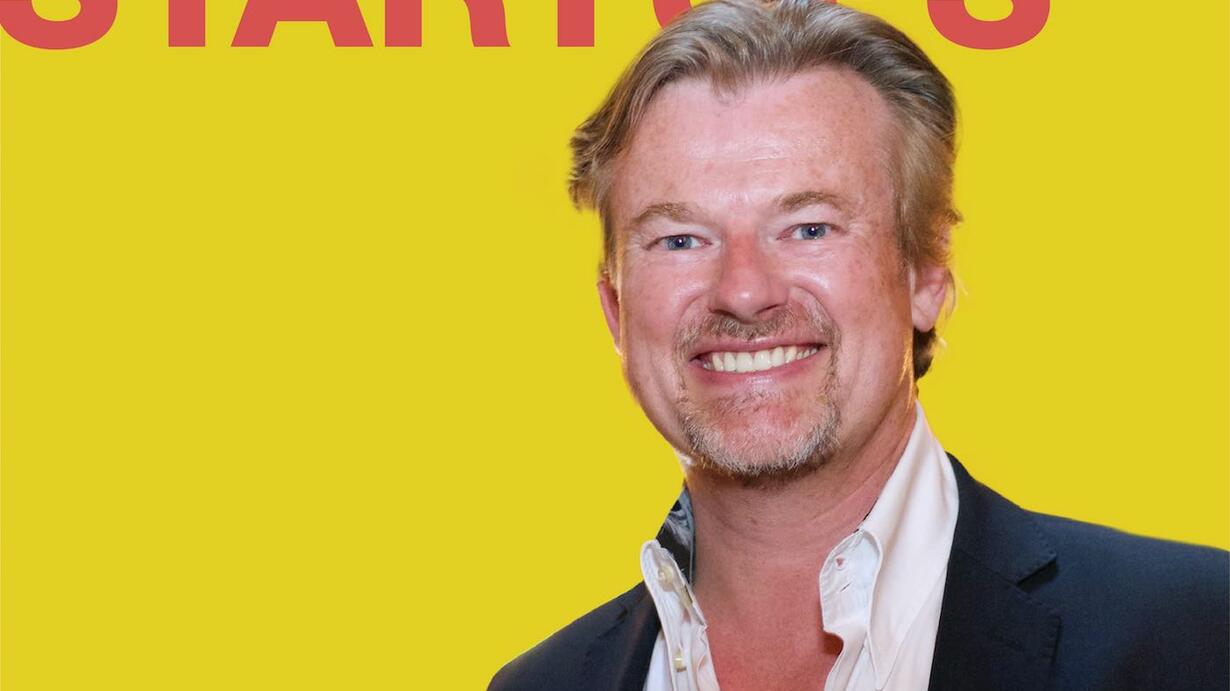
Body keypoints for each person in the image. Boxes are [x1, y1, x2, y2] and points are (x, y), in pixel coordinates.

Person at [490, 1, 1229, 689]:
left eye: (809, 228)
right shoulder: (540, 684)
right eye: (680, 239)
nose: (743, 291)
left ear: (927, 272)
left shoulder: (1197, 633)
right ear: (616, 309)